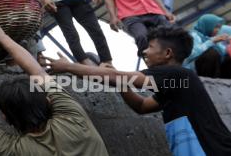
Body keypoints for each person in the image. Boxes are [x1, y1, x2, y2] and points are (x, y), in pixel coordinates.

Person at [46, 26, 231, 156]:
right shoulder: (177, 86)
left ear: (167, 53)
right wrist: (117, 80)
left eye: (150, 47)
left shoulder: (178, 75)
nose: (145, 52)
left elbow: (124, 79)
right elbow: (141, 105)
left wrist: (69, 67)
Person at [0, 11, 108, 156]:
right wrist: (1, 36)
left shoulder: (12, 150)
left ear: (5, 117)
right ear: (49, 101)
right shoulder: (73, 119)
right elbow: (38, 72)